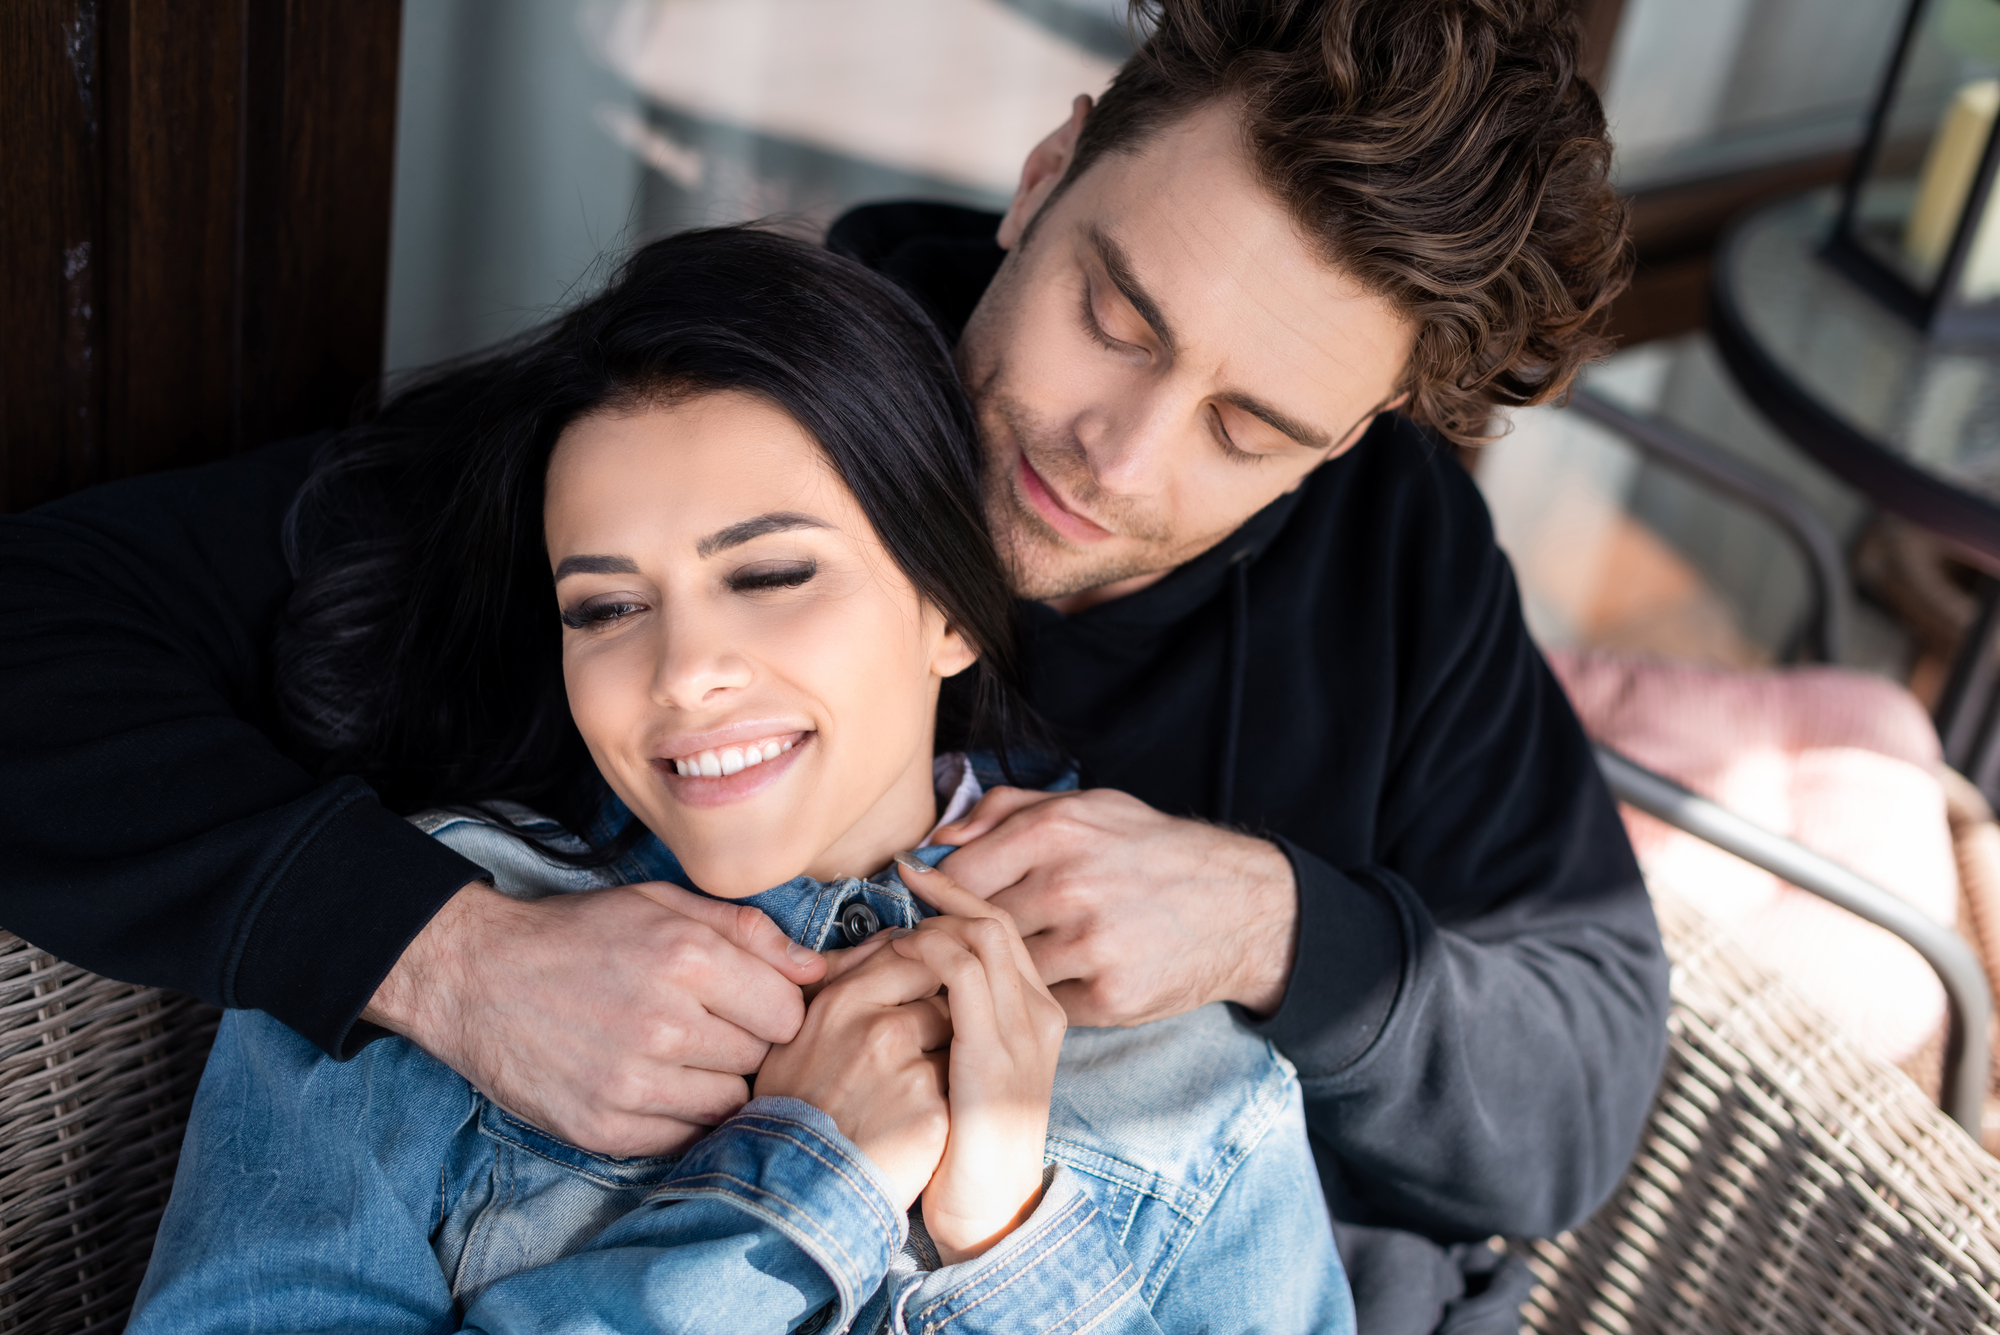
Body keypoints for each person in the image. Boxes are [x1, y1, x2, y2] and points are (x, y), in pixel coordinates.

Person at [0, 3, 1663, 1331]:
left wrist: (1272, 926)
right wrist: (444, 958)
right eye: (1117, 312)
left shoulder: (1392, 554)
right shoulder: (701, 446)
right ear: (1047, 172)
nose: (1118, 456)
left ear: (1344, 440)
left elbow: (1580, 1082)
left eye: (1249, 428)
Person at [126, 226, 1350, 1334]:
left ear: (949, 611)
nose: (684, 672)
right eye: (606, 605)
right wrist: (793, 1197)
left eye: (770, 575)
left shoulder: (1190, 1092)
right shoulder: (413, 961)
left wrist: (1008, 1248)